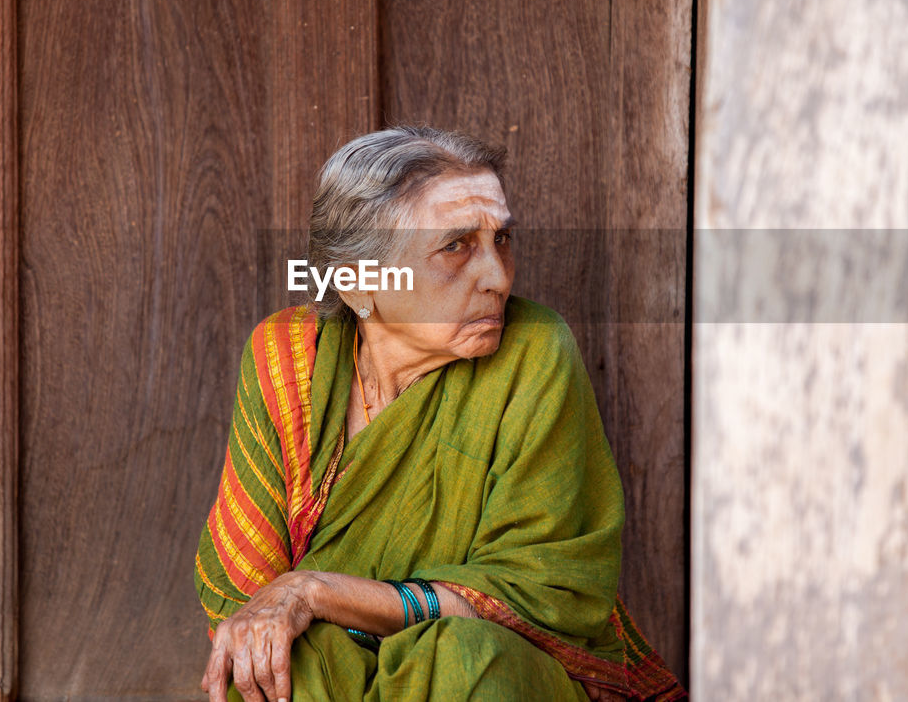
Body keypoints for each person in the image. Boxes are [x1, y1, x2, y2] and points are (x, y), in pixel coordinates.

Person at [195, 125, 685, 701]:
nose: (498, 279)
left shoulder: (536, 351)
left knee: (460, 658)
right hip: (335, 664)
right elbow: (248, 594)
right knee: (281, 663)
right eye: (455, 247)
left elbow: (538, 593)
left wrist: (317, 590)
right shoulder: (286, 359)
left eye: (501, 241)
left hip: (488, 668)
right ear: (358, 281)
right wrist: (288, 612)